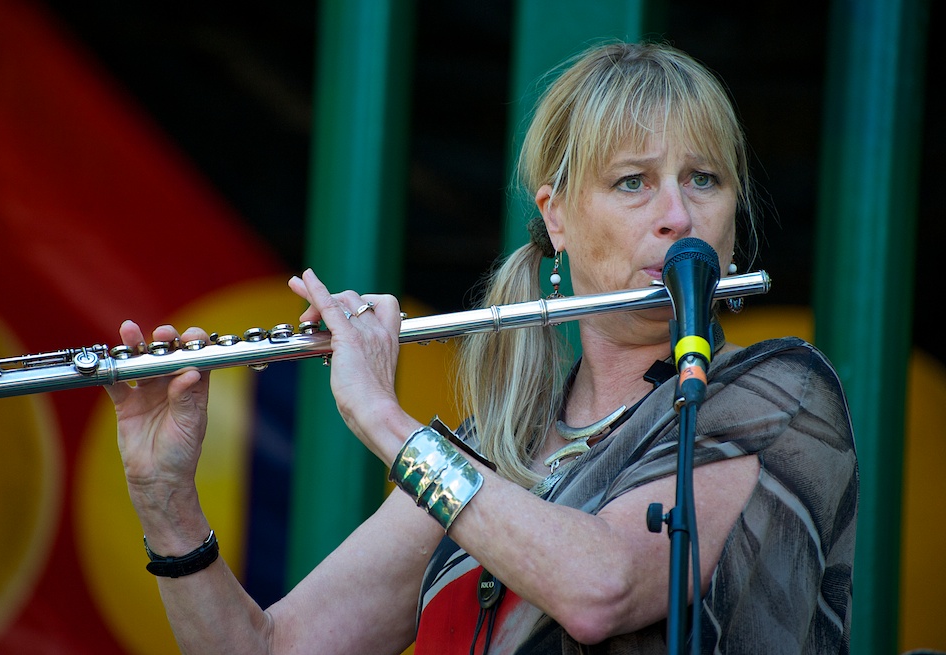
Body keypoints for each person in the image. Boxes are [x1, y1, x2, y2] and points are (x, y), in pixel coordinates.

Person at [106, 41, 857, 654]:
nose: (676, 213)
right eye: (633, 182)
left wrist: (379, 413)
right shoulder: (493, 452)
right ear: (556, 217)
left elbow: (602, 588)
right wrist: (164, 499)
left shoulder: (781, 390)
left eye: (704, 179)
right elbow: (268, 650)